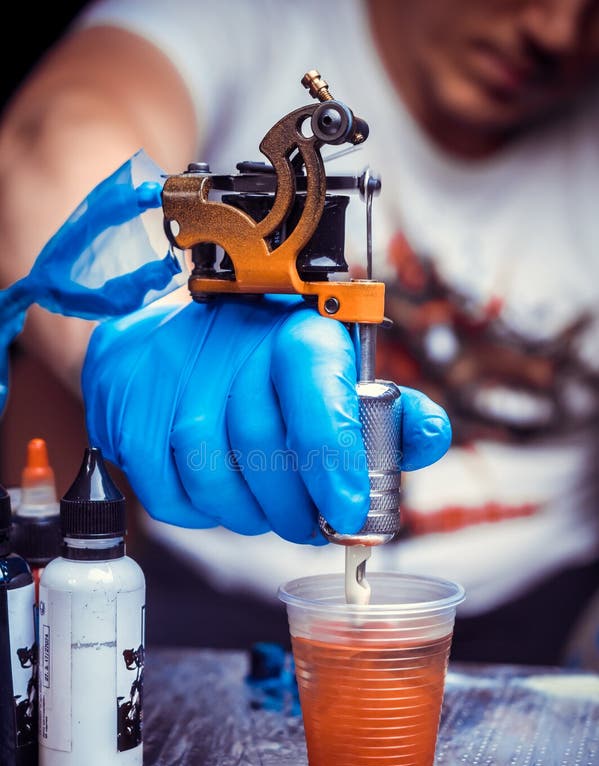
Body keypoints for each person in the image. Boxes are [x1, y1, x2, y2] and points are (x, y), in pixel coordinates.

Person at [1, 0, 598, 665]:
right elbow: (58, 133)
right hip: (203, 601)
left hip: (533, 623)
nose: (555, 32)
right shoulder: (249, 19)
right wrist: (137, 323)